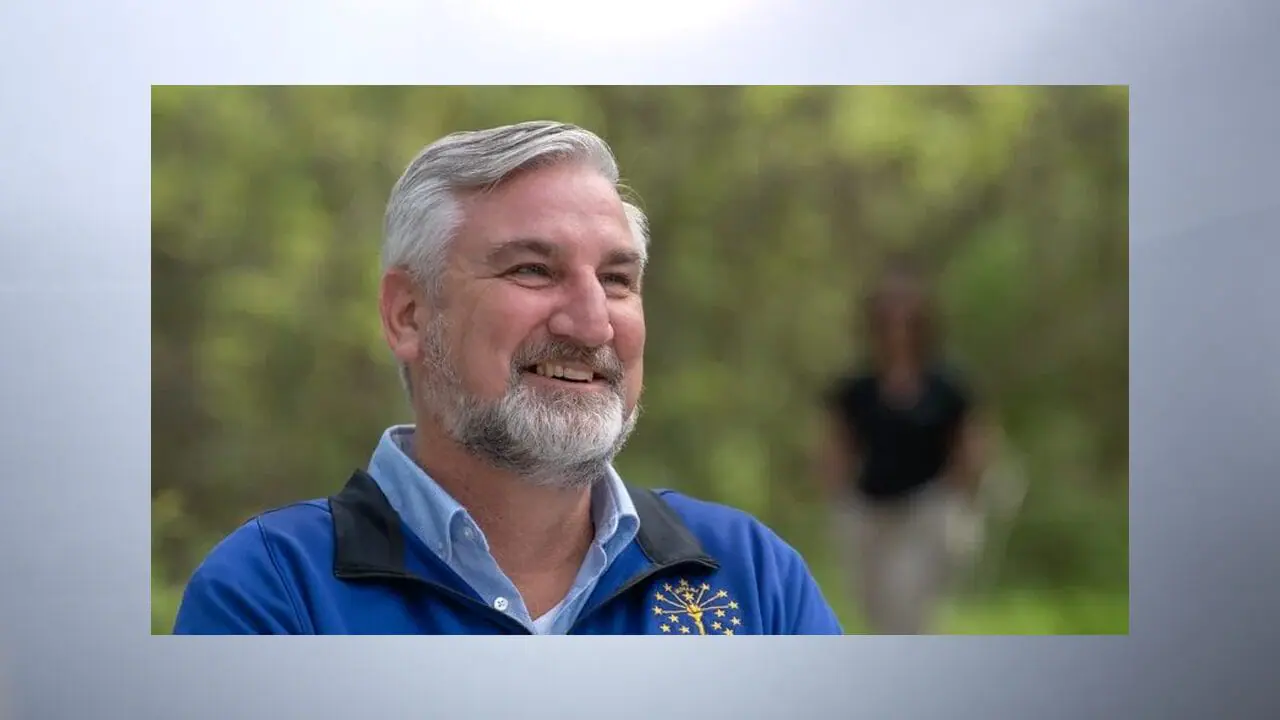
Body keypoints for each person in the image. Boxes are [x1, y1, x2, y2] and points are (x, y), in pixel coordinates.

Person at [173, 120, 843, 635]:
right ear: (408, 315)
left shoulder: (753, 578)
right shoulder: (275, 593)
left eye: (616, 280)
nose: (591, 325)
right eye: (532, 270)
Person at [818, 255, 989, 634]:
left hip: (926, 512)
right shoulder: (856, 389)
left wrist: (961, 498)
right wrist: (836, 492)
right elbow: (837, 447)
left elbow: (970, 446)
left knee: (907, 605)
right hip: (869, 512)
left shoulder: (947, 387)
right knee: (877, 609)